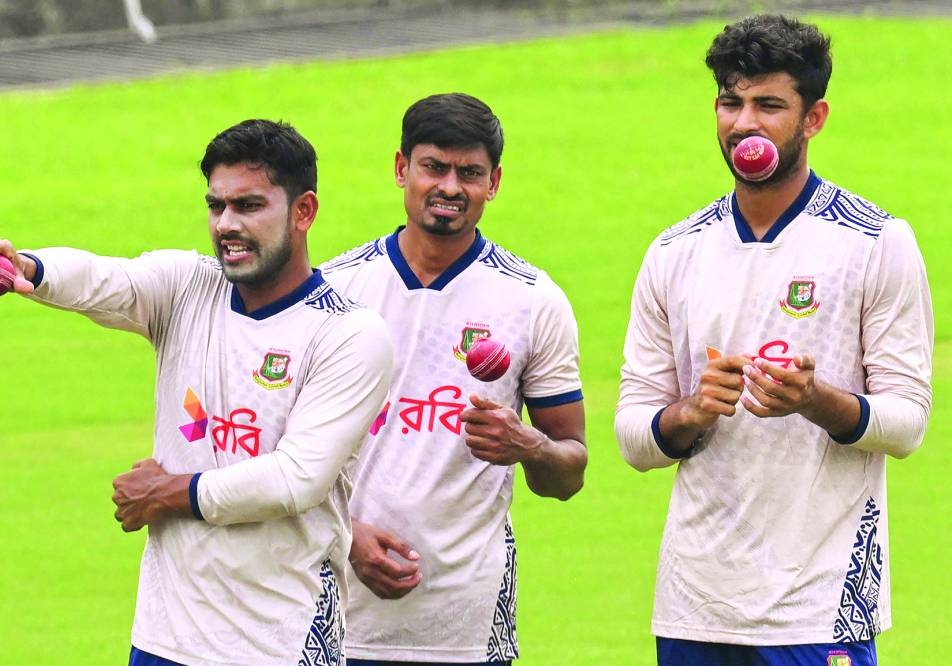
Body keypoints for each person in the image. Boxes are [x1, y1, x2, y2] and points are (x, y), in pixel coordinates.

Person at [0, 119, 393, 666]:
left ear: (303, 211)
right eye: (217, 206)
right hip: (165, 639)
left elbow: (294, 480)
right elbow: (102, 278)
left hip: (282, 640)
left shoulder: (348, 335)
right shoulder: (189, 286)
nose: (227, 224)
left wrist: (168, 493)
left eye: (249, 206)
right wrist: (27, 267)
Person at [614, 14, 933, 666]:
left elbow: (906, 425)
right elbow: (633, 436)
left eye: (768, 105)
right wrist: (690, 413)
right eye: (731, 102)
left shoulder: (876, 242)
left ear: (813, 119)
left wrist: (816, 400)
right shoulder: (675, 252)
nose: (744, 124)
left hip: (820, 606)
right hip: (694, 603)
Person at [320, 92, 588, 664]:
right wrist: (347, 535)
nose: (449, 187)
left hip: (466, 623)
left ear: (493, 183)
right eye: (433, 167)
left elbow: (568, 473)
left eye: (469, 173)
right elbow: (278, 453)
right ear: (401, 169)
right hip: (333, 614)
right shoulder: (334, 293)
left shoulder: (532, 300)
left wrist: (529, 445)